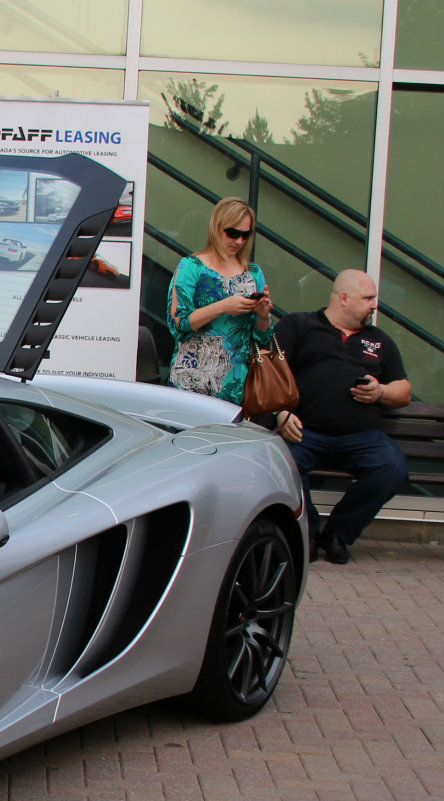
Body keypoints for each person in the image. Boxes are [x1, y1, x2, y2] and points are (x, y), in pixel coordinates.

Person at [272, 269, 411, 565]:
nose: (375, 305)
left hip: (360, 437)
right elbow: (269, 374)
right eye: (369, 298)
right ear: (345, 298)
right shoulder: (300, 325)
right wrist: (280, 412)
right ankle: (306, 532)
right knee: (285, 464)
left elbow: (404, 390)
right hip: (304, 431)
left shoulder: (379, 341)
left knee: (392, 467)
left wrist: (381, 392)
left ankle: (338, 533)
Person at [166, 196, 276, 405]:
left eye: (245, 235)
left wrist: (263, 315)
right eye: (232, 233)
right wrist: (223, 306)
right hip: (192, 381)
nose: (239, 241)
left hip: (236, 384)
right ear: (217, 228)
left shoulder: (254, 273)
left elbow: (262, 339)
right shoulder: (192, 266)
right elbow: (178, 324)